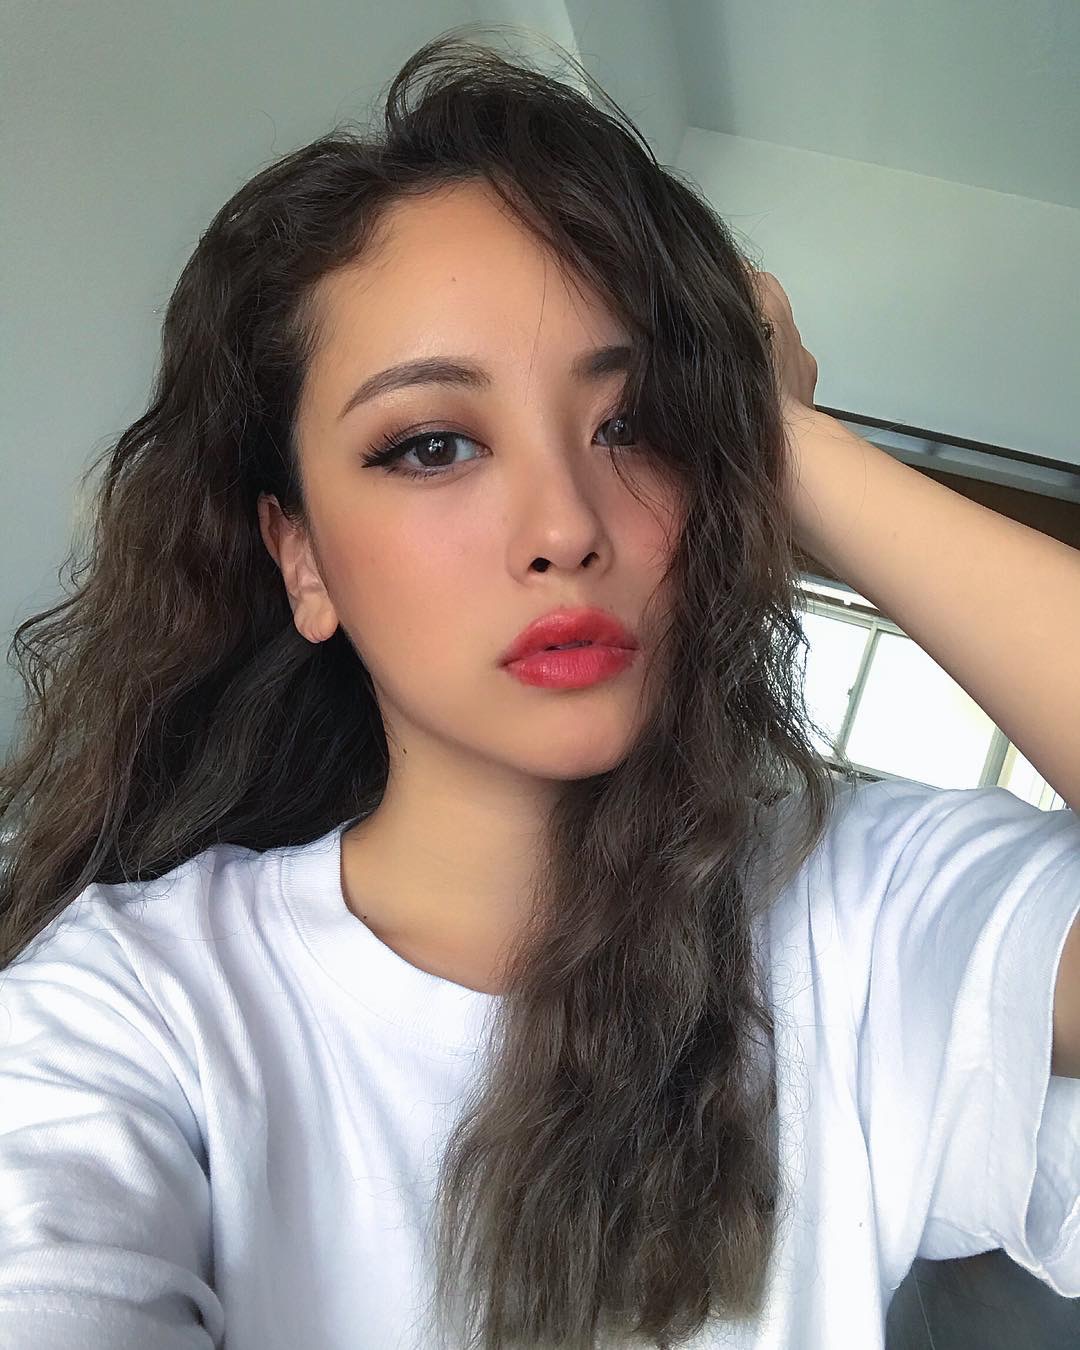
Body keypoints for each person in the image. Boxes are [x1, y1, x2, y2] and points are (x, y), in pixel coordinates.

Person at [1, 25, 1078, 1350]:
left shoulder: (867, 908)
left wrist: (778, 441)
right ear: (303, 559)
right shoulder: (138, 1008)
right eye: (431, 445)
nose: (566, 525)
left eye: (639, 425)